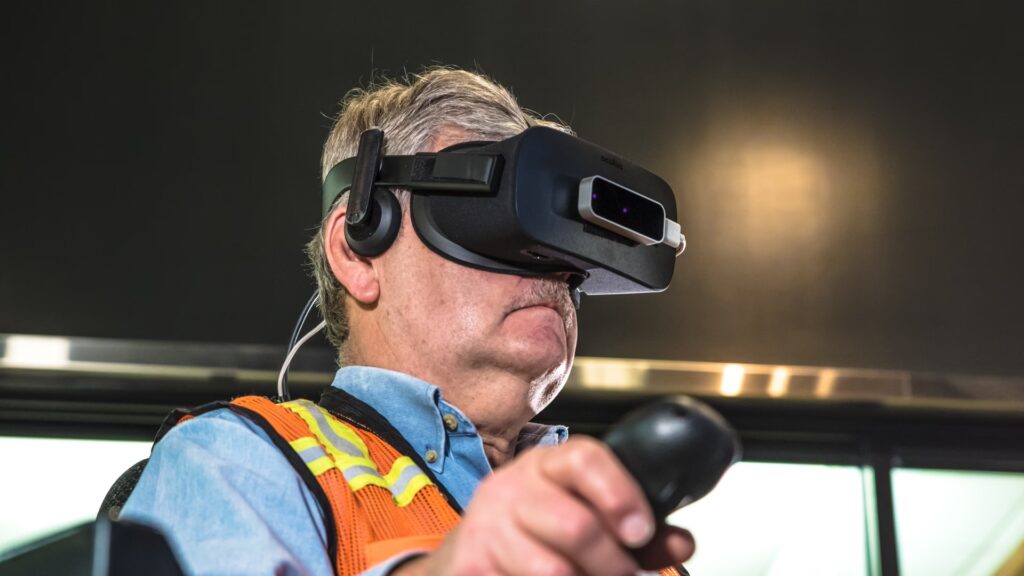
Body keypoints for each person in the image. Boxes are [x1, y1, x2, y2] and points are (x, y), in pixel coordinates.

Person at [121, 67, 695, 575]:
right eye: (495, 222)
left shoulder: (624, 538)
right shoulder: (238, 460)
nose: (555, 271)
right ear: (358, 251)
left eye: (569, 251)